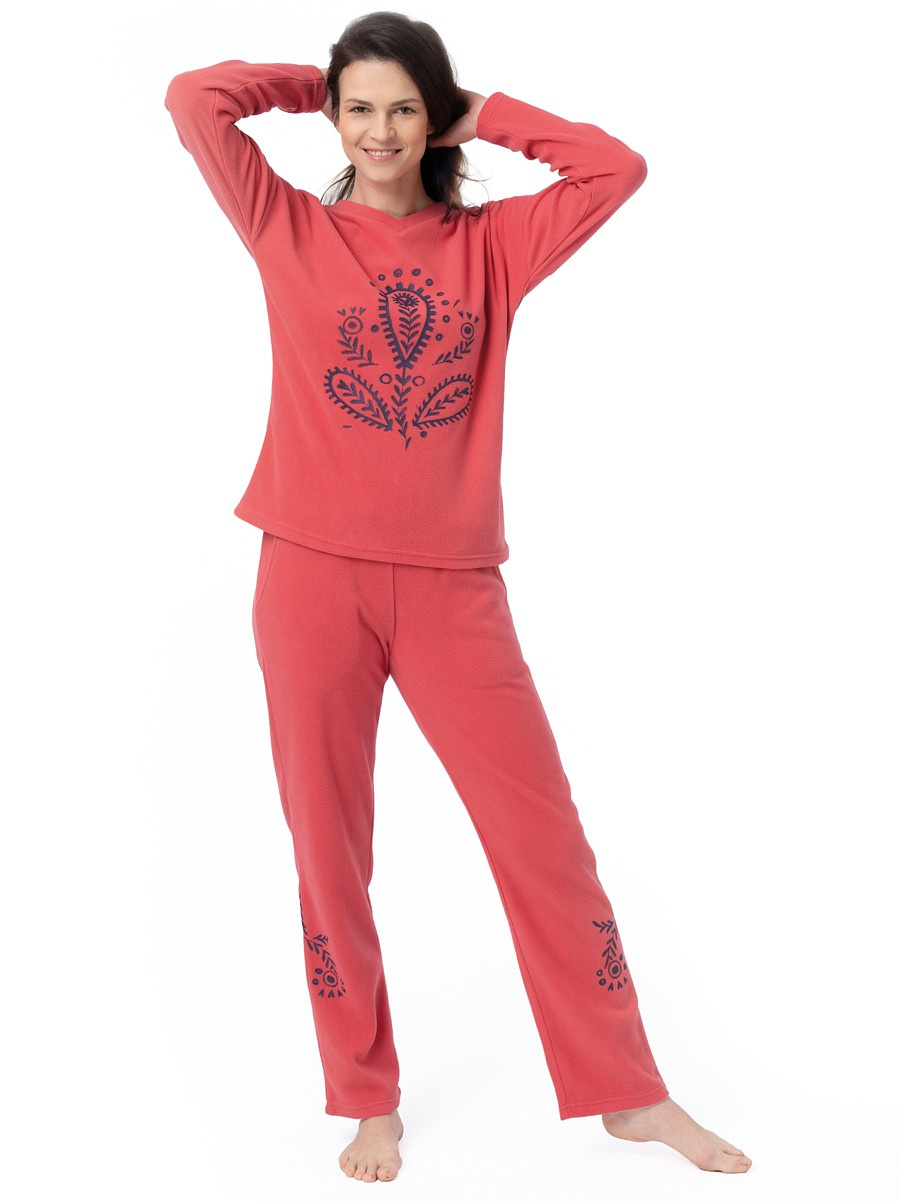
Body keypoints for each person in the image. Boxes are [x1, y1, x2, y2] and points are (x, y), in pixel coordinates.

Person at [164, 9, 752, 1184]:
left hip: (454, 592)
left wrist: (485, 113)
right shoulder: (286, 224)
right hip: (308, 577)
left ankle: (628, 1090)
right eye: (361, 109)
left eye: (404, 108)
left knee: (544, 838)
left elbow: (615, 168)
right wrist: (314, 83)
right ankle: (365, 1099)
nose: (380, 131)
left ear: (434, 118)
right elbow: (194, 98)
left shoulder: (493, 247)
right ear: (336, 115)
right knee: (330, 846)